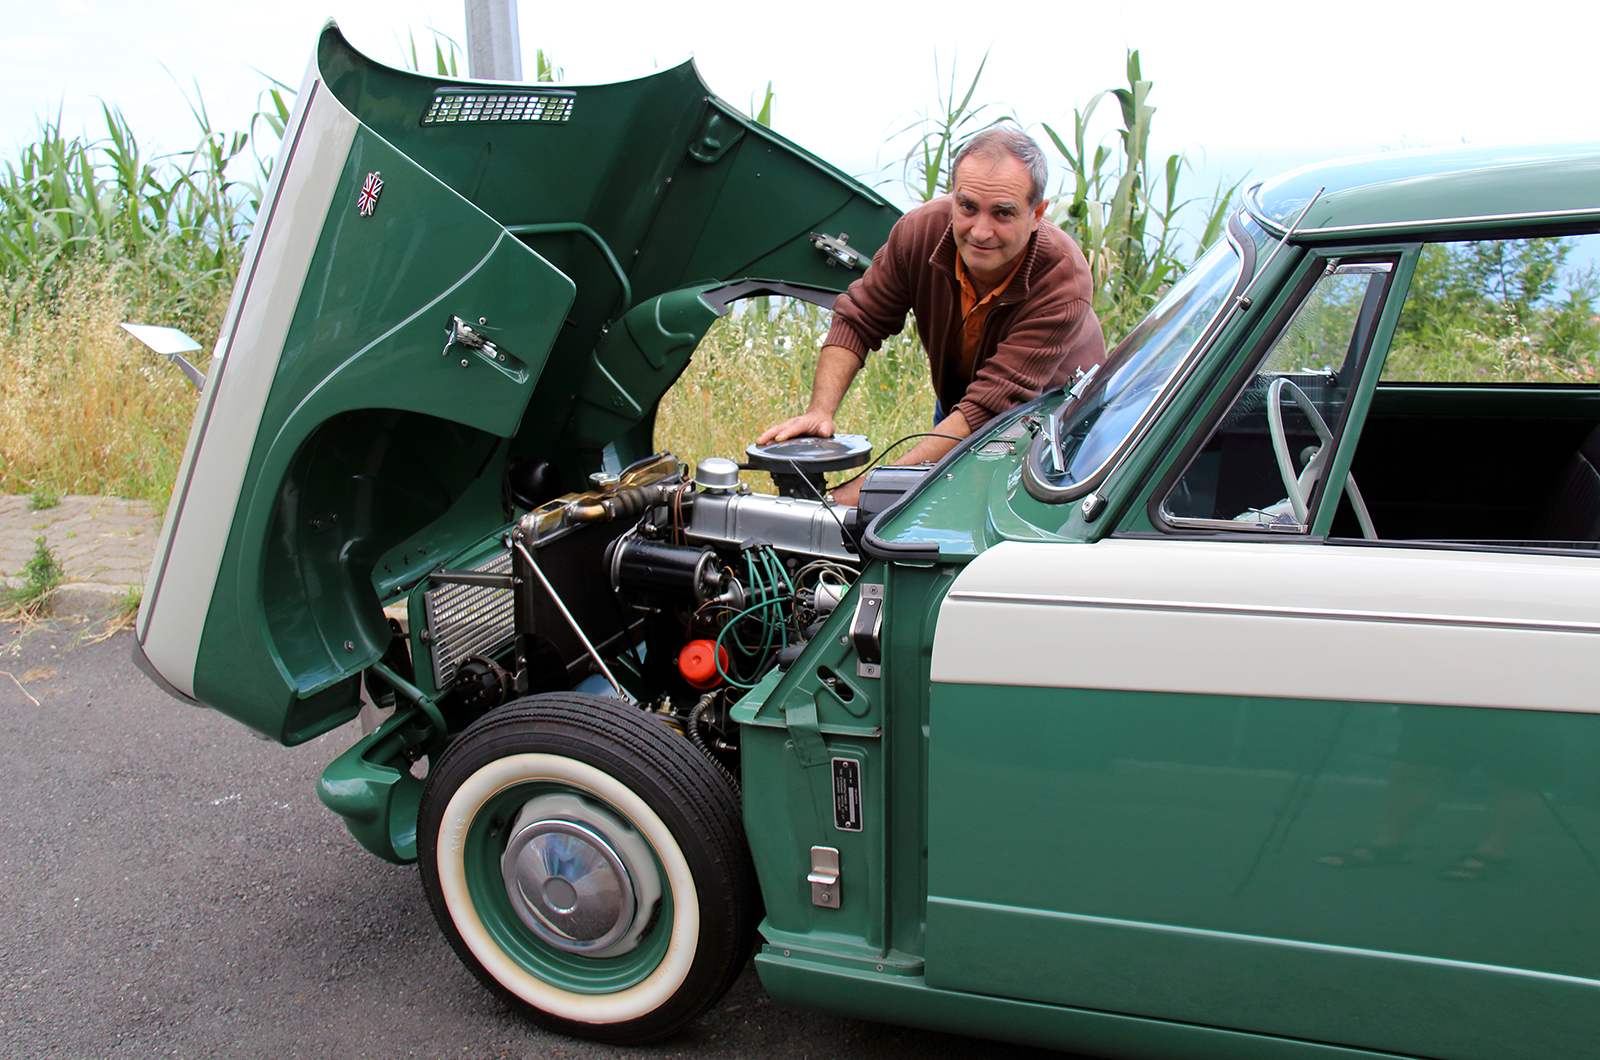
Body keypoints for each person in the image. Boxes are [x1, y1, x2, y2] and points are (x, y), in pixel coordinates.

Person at [757, 125, 1106, 505]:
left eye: (1003, 213)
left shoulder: (1062, 279)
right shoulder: (918, 231)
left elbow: (990, 406)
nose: (980, 231)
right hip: (962, 406)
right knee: (933, 513)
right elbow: (858, 320)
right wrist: (819, 412)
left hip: (1060, 426)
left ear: (1037, 213)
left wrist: (850, 500)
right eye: (968, 207)